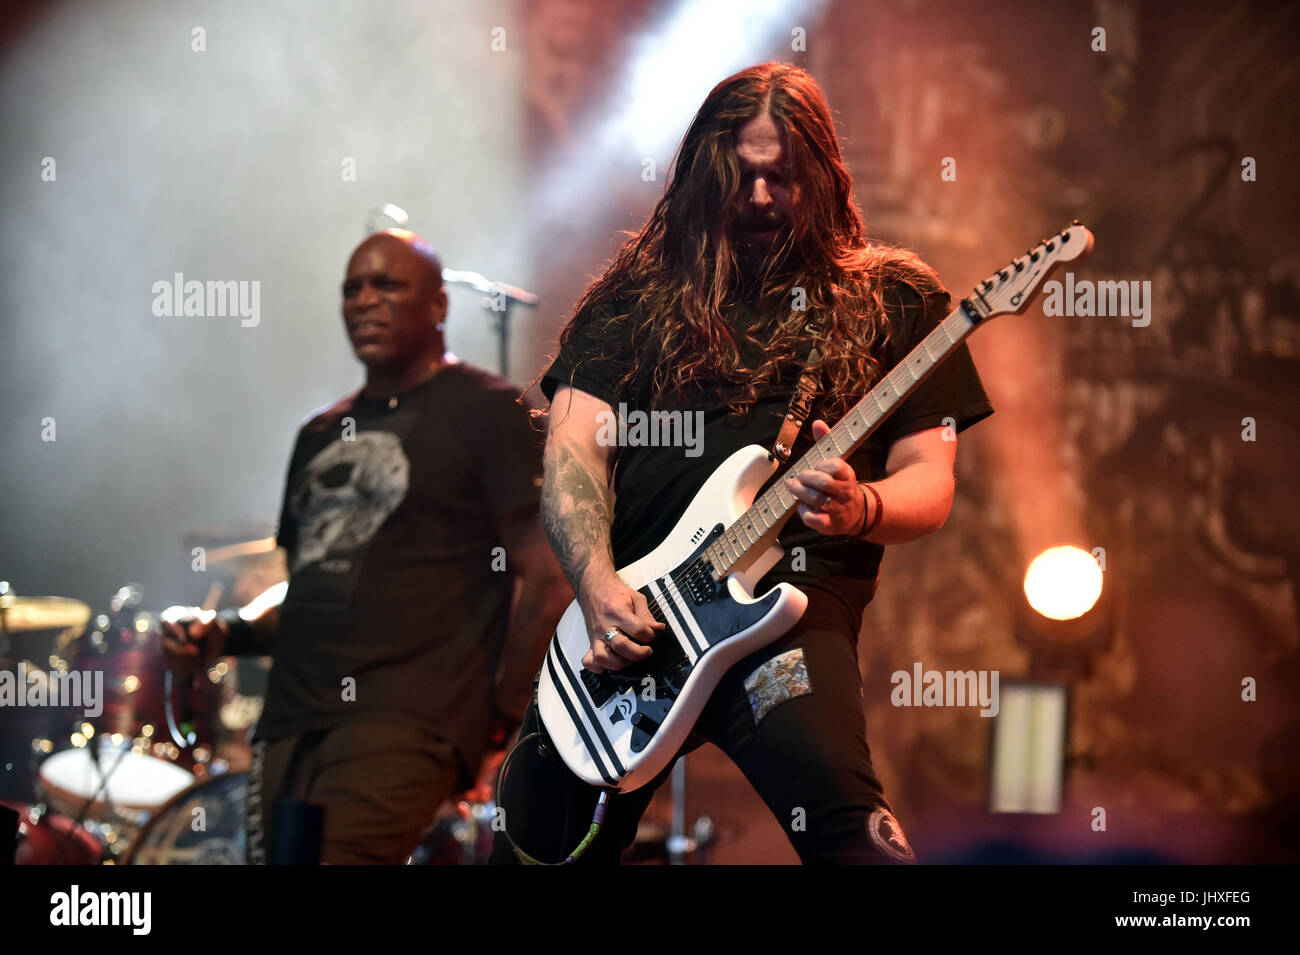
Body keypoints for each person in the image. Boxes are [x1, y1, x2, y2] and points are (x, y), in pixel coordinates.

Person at [492, 63, 993, 865]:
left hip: (785, 619)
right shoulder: (632, 298)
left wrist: (862, 506)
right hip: (630, 629)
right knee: (530, 851)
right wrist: (596, 586)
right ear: (700, 173)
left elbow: (930, 482)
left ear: (825, 176)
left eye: (783, 177)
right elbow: (573, 449)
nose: (759, 198)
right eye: (739, 176)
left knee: (852, 839)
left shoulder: (898, 301)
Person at [162, 229, 570, 864]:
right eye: (352, 288)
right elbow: (313, 583)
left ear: (438, 306)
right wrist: (226, 632)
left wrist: (502, 717)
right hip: (289, 726)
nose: (364, 300)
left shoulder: (489, 412)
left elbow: (548, 579)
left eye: (387, 284)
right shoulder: (319, 433)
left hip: (404, 721)